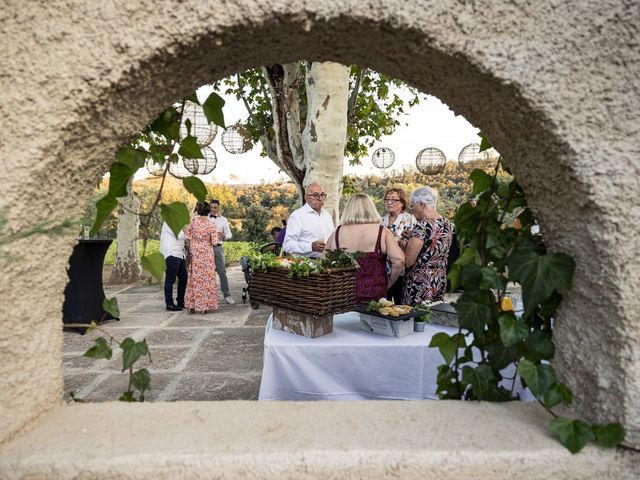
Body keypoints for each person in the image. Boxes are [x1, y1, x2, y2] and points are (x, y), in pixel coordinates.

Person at [325, 193, 404, 303]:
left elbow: (322, 262)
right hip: (375, 294)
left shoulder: (337, 233)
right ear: (371, 209)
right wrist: (390, 281)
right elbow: (399, 260)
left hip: (343, 294)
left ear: (349, 210)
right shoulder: (382, 232)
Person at [399, 187, 454, 305]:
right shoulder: (447, 224)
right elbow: (433, 243)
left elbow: (408, 261)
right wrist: (412, 237)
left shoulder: (422, 226)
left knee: (415, 319)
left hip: (420, 283)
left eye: (413, 206)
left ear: (422, 204)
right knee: (433, 317)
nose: (412, 210)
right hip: (438, 281)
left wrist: (403, 245)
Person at [380, 187, 416, 303]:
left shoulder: (410, 219)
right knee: (383, 304)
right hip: (383, 269)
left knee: (401, 305)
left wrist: (405, 241)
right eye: (387, 199)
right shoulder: (381, 220)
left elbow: (416, 243)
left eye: (394, 200)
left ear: (402, 203)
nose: (389, 202)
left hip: (402, 269)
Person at [282, 182, 334, 258]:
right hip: (306, 265)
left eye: (322, 195)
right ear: (306, 198)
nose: (320, 198)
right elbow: (287, 245)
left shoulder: (327, 215)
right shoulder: (297, 216)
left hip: (329, 263)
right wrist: (310, 247)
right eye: (315, 195)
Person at [185, 201, 219, 314]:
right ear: (208, 210)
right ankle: (204, 306)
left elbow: (187, 236)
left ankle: (192, 306)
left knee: (194, 278)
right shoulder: (211, 224)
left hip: (195, 254)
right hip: (207, 255)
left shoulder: (193, 221)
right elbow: (214, 242)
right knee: (206, 279)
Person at [208, 199, 235, 304]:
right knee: (208, 273)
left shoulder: (223, 219)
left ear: (218, 208)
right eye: (211, 207)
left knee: (222, 272)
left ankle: (227, 295)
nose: (213, 210)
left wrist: (224, 236)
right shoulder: (204, 219)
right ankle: (209, 297)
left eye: (215, 207)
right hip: (206, 248)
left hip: (218, 247)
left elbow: (230, 234)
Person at [159, 222, 187, 311]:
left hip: (180, 253)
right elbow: (180, 235)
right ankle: (169, 304)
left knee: (184, 278)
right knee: (170, 279)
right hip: (171, 253)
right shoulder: (169, 222)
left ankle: (181, 301)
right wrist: (191, 230)